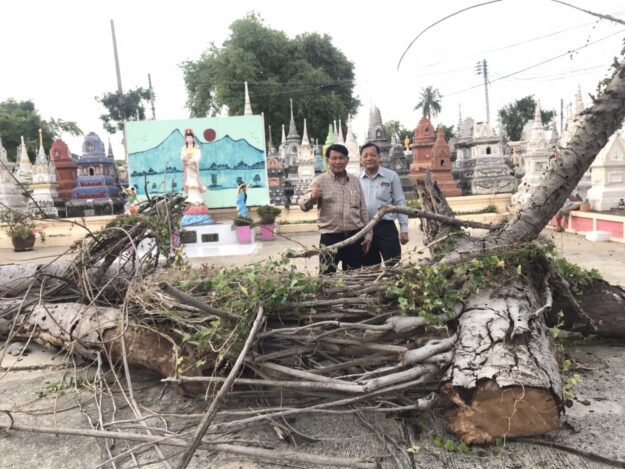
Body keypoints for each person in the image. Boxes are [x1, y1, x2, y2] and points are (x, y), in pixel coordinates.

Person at [299, 143, 371, 274]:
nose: (338, 162)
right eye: (334, 158)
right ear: (328, 161)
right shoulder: (320, 181)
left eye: (341, 158)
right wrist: (313, 197)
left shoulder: (355, 181)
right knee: (327, 277)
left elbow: (363, 210)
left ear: (347, 160)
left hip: (354, 238)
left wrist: (368, 235)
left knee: (354, 276)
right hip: (330, 239)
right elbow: (303, 205)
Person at [358, 142, 409, 266]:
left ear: (379, 157)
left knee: (393, 264)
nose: (369, 158)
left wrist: (404, 229)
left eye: (372, 155)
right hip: (365, 228)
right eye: (365, 156)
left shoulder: (391, 176)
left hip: (386, 227)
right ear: (360, 159)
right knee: (369, 267)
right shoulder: (356, 179)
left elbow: (400, 202)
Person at [181, 128, 206, 204]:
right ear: (185, 139)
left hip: (194, 167)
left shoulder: (196, 147)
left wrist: (192, 160)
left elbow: (198, 156)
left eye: (190, 137)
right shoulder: (184, 148)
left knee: (195, 182)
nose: (189, 139)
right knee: (189, 182)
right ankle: (191, 198)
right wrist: (185, 159)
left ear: (193, 138)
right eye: (187, 138)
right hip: (188, 168)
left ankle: (197, 199)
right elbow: (182, 156)